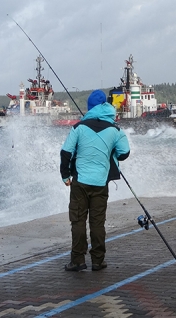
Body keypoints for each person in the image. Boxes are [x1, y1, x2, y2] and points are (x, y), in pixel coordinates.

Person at [59, 90, 130, 271]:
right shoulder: (115, 130)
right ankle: (98, 261)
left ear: (90, 107)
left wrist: (65, 176)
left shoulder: (78, 127)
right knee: (97, 223)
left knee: (78, 221)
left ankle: (78, 261)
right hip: (100, 183)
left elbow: (66, 153)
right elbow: (124, 153)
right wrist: (111, 150)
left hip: (80, 183)